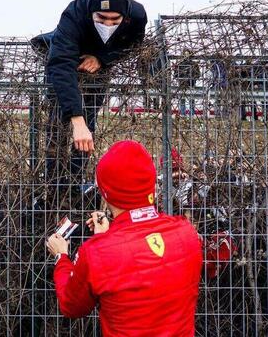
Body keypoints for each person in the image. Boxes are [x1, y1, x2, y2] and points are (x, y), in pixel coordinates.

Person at [46, 140, 203, 336]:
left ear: (106, 192)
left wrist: (61, 257)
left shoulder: (97, 252)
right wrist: (107, 237)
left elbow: (71, 305)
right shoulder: (186, 233)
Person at [32, 0, 147, 205]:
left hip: (97, 68)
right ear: (90, 12)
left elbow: (133, 44)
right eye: (101, 18)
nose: (107, 25)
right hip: (66, 56)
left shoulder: (136, 15)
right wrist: (76, 119)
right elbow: (61, 65)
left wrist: (102, 58)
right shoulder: (73, 15)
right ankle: (53, 185)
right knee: (57, 125)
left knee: (89, 125)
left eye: (114, 20)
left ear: (125, 15)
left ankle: (73, 185)